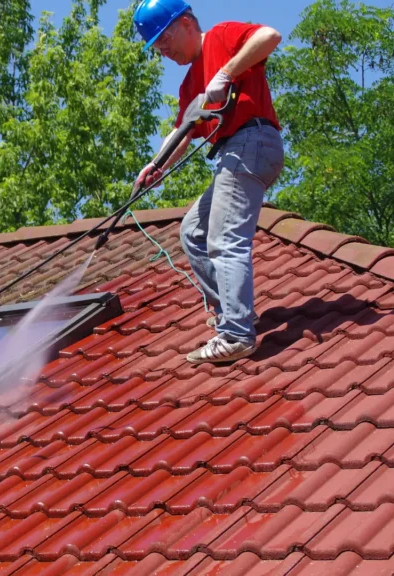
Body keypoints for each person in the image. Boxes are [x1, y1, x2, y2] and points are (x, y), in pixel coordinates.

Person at [132, 0, 285, 365]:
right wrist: (154, 165)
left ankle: (236, 334)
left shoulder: (222, 36)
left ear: (186, 23)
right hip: (235, 152)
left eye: (164, 39)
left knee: (223, 238)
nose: (162, 51)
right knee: (194, 233)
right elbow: (183, 132)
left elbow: (270, 35)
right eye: (156, 47)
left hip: (252, 141)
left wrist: (228, 71)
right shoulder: (189, 86)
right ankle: (233, 313)